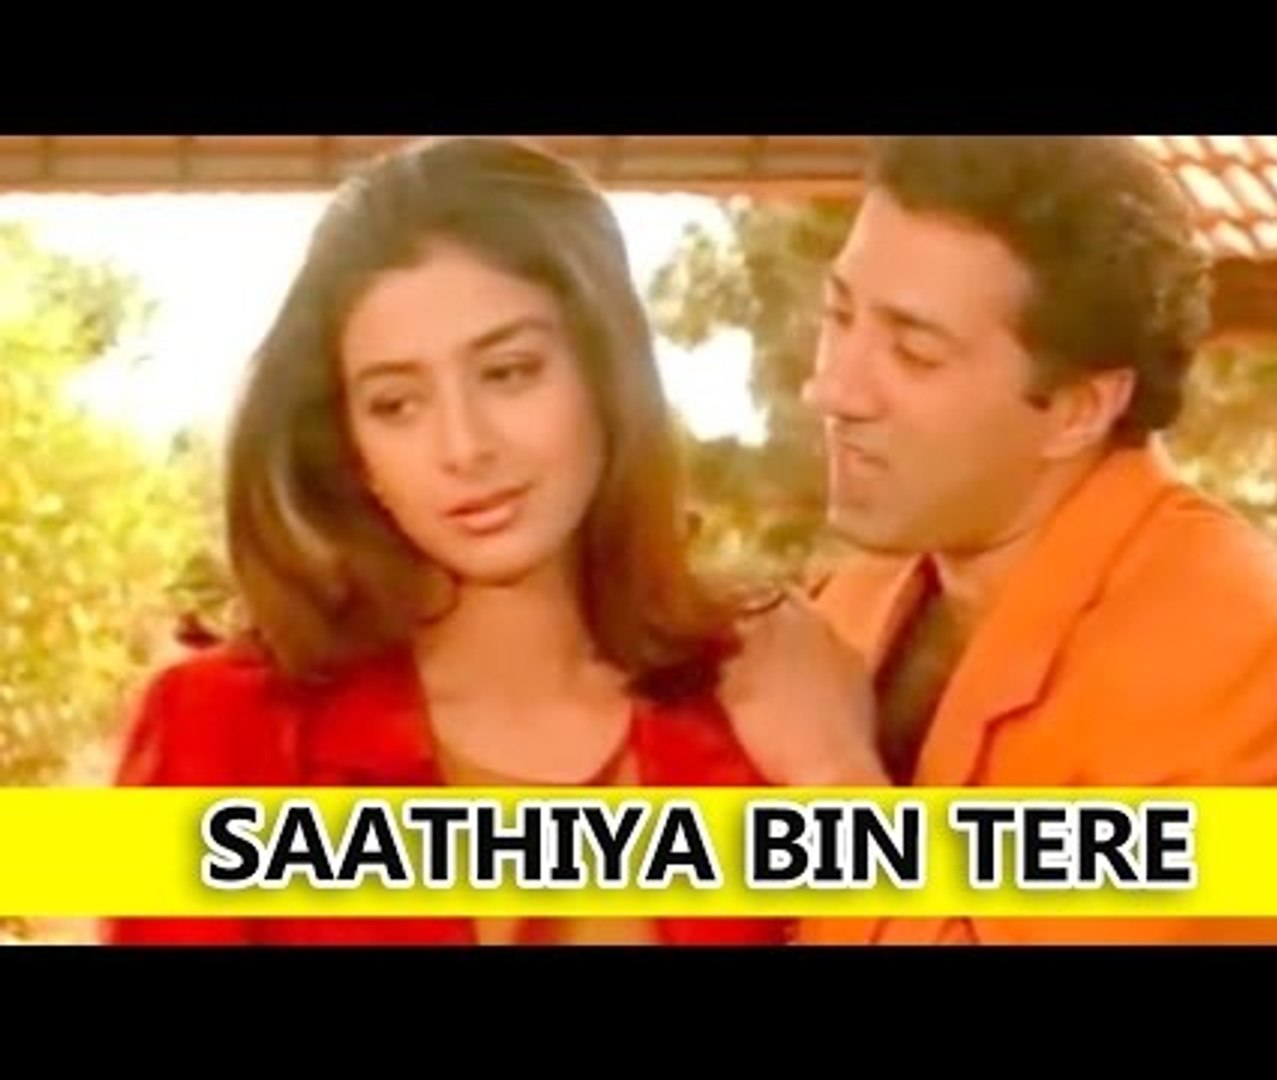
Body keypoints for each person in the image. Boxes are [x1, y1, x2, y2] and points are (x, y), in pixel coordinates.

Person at [103, 136, 884, 947]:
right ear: (353, 449)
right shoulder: (221, 733)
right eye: (396, 404)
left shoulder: (762, 704)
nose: (464, 446)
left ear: (607, 374)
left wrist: (834, 779)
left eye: (508, 372)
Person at [793, 136, 1277, 946]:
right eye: (839, 316)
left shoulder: (1256, 668)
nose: (831, 388)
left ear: (1078, 410)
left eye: (915, 352)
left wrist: (828, 775)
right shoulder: (854, 599)